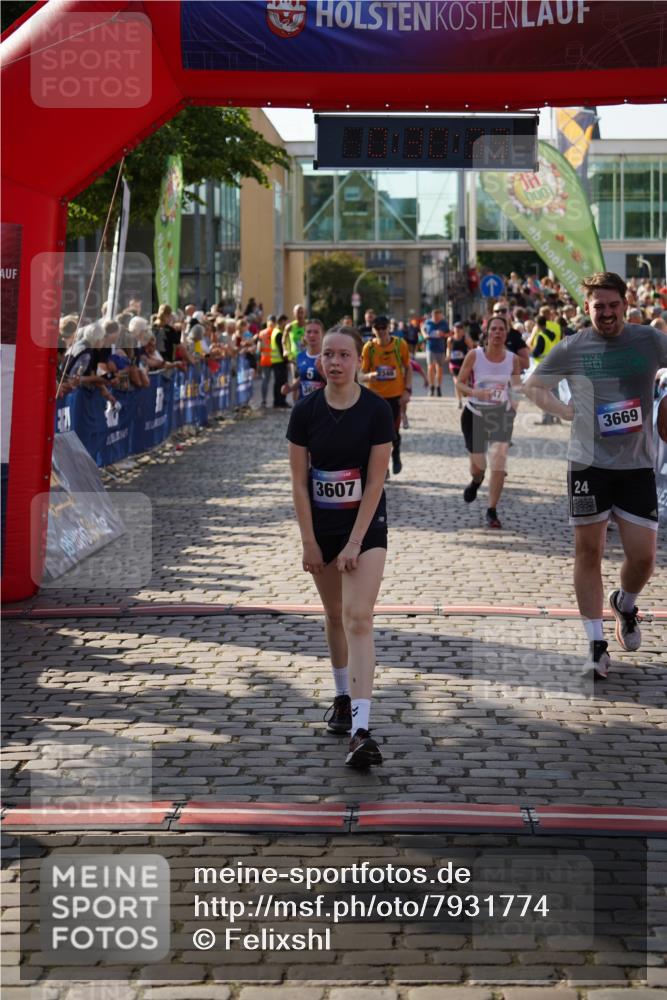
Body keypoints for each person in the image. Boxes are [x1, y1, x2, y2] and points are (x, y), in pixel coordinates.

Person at [522, 271, 667, 679]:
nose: (606, 313)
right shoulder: (573, 347)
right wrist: (566, 412)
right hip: (587, 463)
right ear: (587, 309)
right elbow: (534, 387)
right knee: (589, 552)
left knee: (643, 557)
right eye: (597, 306)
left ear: (625, 304)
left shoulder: (649, 340)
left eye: (612, 305)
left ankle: (625, 602)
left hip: (637, 463)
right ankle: (595, 643)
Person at [286, 325, 394, 768]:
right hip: (322, 528)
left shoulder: (375, 411)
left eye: (344, 355)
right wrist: (310, 541)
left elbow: (375, 481)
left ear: (358, 361)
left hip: (365, 527)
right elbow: (297, 481)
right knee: (334, 615)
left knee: (358, 617)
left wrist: (353, 541)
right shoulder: (304, 411)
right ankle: (342, 696)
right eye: (328, 355)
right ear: (318, 360)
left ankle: (362, 729)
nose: (334, 362)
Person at [456, 314, 522, 529]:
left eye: (501, 329)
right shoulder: (475, 355)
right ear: (487, 332)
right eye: (493, 329)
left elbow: (517, 387)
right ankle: (476, 481)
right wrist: (476, 392)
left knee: (499, 465)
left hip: (500, 415)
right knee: (479, 467)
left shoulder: (513, 359)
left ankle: (491, 510)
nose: (497, 333)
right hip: (474, 413)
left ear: (506, 333)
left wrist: (513, 408)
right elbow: (460, 383)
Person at [360, 315, 412, 475]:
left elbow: (408, 368)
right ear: (373, 329)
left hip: (395, 396)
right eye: (378, 328)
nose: (381, 331)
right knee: (376, 435)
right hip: (375, 397)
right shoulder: (369, 348)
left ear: (389, 327)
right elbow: (361, 373)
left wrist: (407, 390)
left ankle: (396, 455)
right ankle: (384, 467)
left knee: (393, 433)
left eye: (384, 327)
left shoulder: (399, 344)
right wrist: (370, 376)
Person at [282, 318, 325, 401]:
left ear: (322, 334)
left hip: (322, 406)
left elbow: (335, 384)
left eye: (316, 332)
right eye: (309, 332)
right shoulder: (300, 357)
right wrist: (290, 388)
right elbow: (302, 378)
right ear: (304, 335)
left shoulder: (328, 357)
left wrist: (322, 373)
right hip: (304, 404)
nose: (312, 335)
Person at [446, 320, 475, 409]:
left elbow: (472, 349)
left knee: (463, 384)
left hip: (464, 364)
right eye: (456, 328)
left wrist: (470, 357)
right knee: (457, 383)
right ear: (453, 329)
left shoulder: (466, 339)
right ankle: (459, 401)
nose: (458, 330)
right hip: (454, 364)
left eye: (460, 328)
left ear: (463, 330)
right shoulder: (450, 340)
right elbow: (448, 349)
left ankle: (464, 393)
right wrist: (448, 356)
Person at [421, 307, 449, 396]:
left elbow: (450, 333)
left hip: (440, 348)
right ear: (432, 316)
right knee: (430, 368)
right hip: (430, 347)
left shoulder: (444, 323)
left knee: (439, 369)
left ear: (441, 316)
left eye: (438, 317)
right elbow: (422, 328)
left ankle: (438, 387)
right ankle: (431, 386)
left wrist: (443, 334)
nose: (436, 318)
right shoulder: (428, 322)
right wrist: (424, 335)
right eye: (435, 317)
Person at [271, 313, 290, 408]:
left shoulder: (275, 331)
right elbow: (281, 349)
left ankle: (277, 402)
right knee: (282, 382)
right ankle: (281, 402)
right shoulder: (279, 333)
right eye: (286, 322)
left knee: (277, 383)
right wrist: (287, 361)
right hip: (280, 362)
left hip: (276, 361)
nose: (287, 324)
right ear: (282, 321)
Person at [257, 315, 276, 407]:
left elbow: (259, 348)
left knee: (265, 380)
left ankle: (264, 400)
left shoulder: (262, 333)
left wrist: (257, 360)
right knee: (277, 381)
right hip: (276, 359)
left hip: (265, 359)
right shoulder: (277, 332)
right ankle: (276, 400)